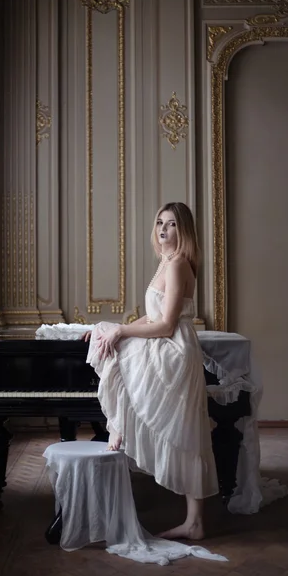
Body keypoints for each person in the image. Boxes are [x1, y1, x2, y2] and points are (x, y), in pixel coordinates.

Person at [83, 202, 219, 541]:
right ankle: (120, 426)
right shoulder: (166, 263)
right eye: (159, 222)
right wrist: (115, 327)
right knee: (115, 341)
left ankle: (195, 522)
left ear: (183, 230)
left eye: (171, 224)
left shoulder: (177, 266)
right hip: (170, 340)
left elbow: (166, 324)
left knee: (186, 433)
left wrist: (122, 332)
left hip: (174, 346)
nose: (163, 229)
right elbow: (151, 316)